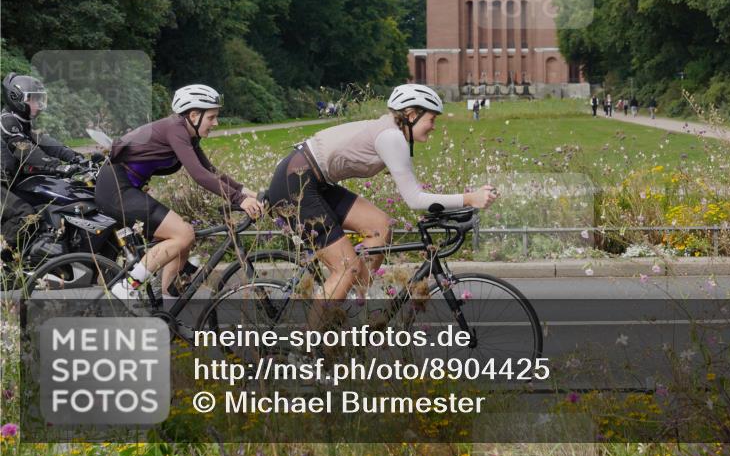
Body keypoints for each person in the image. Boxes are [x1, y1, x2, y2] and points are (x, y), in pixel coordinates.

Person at [268, 84, 498, 301]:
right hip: (296, 182)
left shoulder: (393, 132)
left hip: (315, 181)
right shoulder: (391, 137)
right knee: (347, 269)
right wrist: (470, 198)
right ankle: (313, 340)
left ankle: (356, 304)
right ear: (411, 115)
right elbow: (415, 199)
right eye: (432, 118)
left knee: (380, 226)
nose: (434, 125)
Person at [95, 85, 263, 304]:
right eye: (211, 117)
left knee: (184, 235)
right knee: (182, 235)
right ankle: (127, 287)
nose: (216, 123)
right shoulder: (176, 129)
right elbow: (198, 175)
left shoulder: (187, 133)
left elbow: (209, 170)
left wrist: (246, 192)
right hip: (116, 189)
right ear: (194, 115)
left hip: (128, 187)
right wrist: (239, 200)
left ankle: (167, 307)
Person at [1, 73, 88, 262]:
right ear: (17, 98)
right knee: (23, 214)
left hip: (10, 183)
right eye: (34, 99)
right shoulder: (7, 121)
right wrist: (56, 166)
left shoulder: (22, 123)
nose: (38, 105)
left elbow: (45, 142)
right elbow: (25, 150)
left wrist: (76, 157)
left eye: (40, 100)